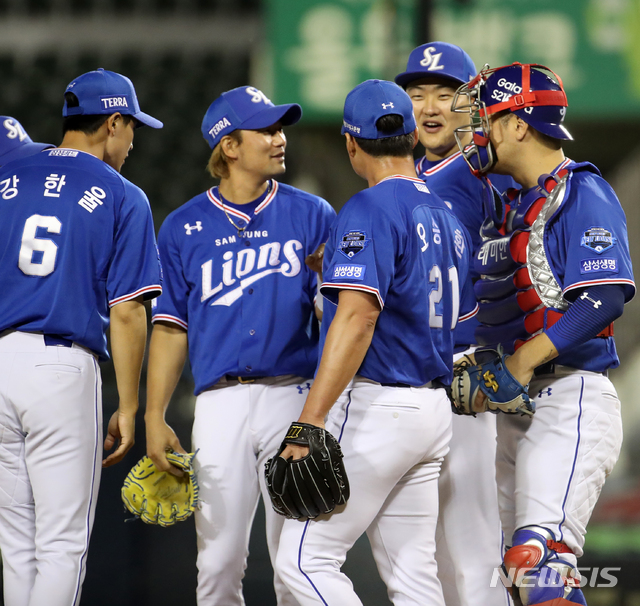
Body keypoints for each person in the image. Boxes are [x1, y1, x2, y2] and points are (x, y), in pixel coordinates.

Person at [274, 79, 477, 606]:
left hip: (380, 405)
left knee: (302, 561)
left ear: (350, 143)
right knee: (414, 578)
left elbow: (358, 319)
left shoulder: (368, 208)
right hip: (433, 409)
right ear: (412, 136)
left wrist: (310, 418)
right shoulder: (448, 218)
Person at [145, 85, 335, 606]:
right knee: (218, 562)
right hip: (218, 404)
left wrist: (327, 291)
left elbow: (341, 316)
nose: (280, 140)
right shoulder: (182, 226)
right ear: (229, 146)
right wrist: (154, 414)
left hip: (293, 396)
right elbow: (170, 326)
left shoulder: (312, 213)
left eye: (280, 130)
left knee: (298, 561)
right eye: (267, 131)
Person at [452, 62, 635, 605]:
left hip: (572, 396)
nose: (478, 131)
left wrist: (517, 363)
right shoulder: (513, 204)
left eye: (486, 118)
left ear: (518, 125)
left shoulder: (581, 191)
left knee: (540, 561)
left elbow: (603, 298)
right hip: (519, 412)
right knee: (519, 579)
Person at [0, 68, 163, 606]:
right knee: (62, 546)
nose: (134, 139)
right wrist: (129, 404)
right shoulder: (123, 194)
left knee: (17, 546)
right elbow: (129, 312)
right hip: (60, 366)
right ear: (112, 123)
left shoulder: (8, 172)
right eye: (132, 126)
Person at [394, 41, 513, 606]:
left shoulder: (486, 175)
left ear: (473, 105)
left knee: (472, 545)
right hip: (414, 374)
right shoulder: (404, 178)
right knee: (426, 555)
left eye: (448, 94)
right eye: (418, 95)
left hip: (466, 369)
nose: (431, 106)